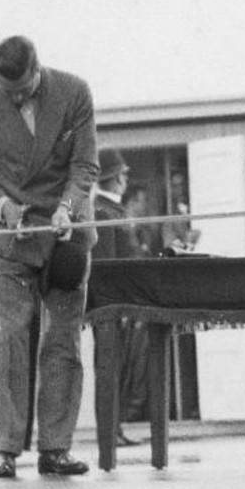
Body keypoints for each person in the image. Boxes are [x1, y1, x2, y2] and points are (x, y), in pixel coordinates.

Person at [0, 35, 99, 479]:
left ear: (38, 68)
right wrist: (1, 206)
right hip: (9, 234)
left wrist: (66, 209)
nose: (16, 97)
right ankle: (4, 447)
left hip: (66, 231)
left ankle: (55, 446)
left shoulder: (75, 92)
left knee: (63, 338)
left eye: (22, 89)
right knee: (10, 339)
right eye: (8, 91)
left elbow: (84, 166)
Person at [89, 148, 144, 448]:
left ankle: (115, 426)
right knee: (109, 366)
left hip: (124, 301)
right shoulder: (103, 211)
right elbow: (107, 265)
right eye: (121, 174)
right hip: (112, 303)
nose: (125, 179)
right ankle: (108, 431)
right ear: (112, 177)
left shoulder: (115, 210)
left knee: (120, 367)